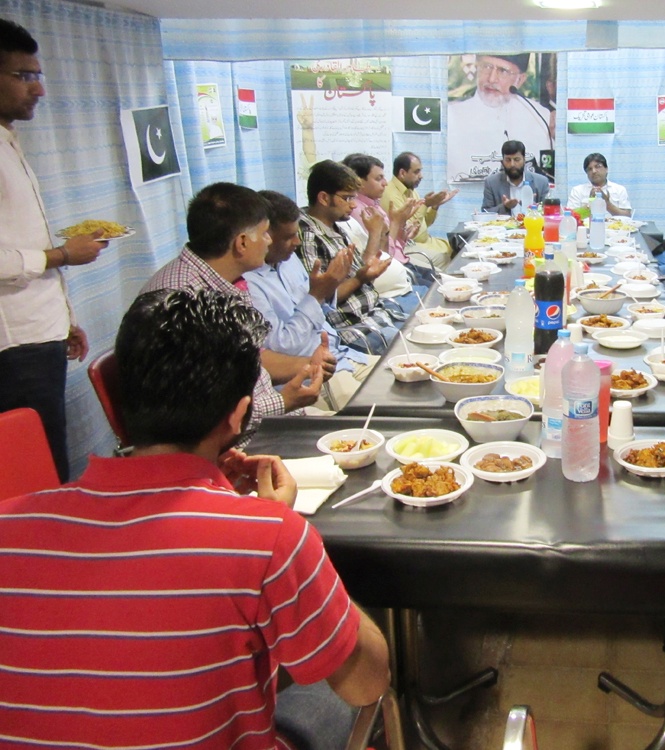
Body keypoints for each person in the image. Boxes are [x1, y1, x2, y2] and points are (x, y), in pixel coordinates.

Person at [0, 288, 390, 747]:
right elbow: (368, 682)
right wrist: (281, 538)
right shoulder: (270, 538)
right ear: (238, 416)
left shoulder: (8, 525)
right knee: (326, 688)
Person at [0, 18, 108, 481]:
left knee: (48, 457)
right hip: (14, 348)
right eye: (23, 76)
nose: (39, 89)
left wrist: (61, 321)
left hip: (37, 335)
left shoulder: (9, 142)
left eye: (38, 75)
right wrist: (62, 255)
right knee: (34, 472)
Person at [141, 182, 328, 443]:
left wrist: (307, 367)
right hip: (237, 443)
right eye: (264, 234)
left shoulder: (225, 282)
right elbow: (201, 417)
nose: (269, 241)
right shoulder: (186, 302)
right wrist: (283, 401)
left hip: (262, 420)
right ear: (242, 243)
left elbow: (250, 356)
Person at [245, 190, 375, 412]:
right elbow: (283, 347)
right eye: (288, 237)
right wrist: (316, 295)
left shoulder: (287, 260)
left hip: (340, 354)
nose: (297, 242)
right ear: (264, 235)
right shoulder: (248, 284)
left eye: (296, 233)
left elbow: (317, 307)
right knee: (383, 412)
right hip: (311, 372)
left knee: (405, 377)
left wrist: (330, 284)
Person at [299, 159, 401, 356]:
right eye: (346, 198)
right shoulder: (308, 237)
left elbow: (356, 274)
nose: (353, 205)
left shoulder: (334, 226)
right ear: (323, 198)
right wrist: (360, 279)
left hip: (375, 314)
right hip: (355, 330)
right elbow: (320, 299)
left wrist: (366, 273)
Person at [447, 54, 553, 184]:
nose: (491, 79)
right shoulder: (453, 114)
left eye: (503, 71)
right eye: (486, 67)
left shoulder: (538, 116)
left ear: (520, 80)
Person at [342, 152, 435, 291]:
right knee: (436, 291)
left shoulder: (374, 203)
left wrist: (402, 229)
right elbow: (382, 255)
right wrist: (397, 222)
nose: (385, 183)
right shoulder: (359, 211)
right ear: (359, 182)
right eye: (378, 179)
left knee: (441, 281)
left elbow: (394, 245)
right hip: (394, 270)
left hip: (402, 262)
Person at [380, 151, 456, 271]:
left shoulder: (411, 190)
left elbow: (424, 223)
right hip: (410, 245)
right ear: (402, 173)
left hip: (426, 241)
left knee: (457, 247)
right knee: (446, 258)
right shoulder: (391, 195)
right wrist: (426, 204)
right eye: (416, 172)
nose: (421, 176)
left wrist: (434, 206)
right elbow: (412, 232)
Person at [481, 139, 550, 215]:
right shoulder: (491, 183)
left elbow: (548, 212)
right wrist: (505, 207)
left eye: (517, 160)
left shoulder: (541, 182)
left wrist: (531, 205)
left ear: (524, 160)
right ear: (502, 162)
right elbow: (485, 212)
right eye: (508, 160)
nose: (512, 164)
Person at [566, 152, 632, 217]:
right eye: (589, 169)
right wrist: (591, 202)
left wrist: (607, 203)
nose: (594, 171)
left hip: (614, 224)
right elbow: (570, 216)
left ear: (606, 169)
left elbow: (627, 216)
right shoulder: (577, 190)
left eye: (598, 166)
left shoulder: (619, 189)